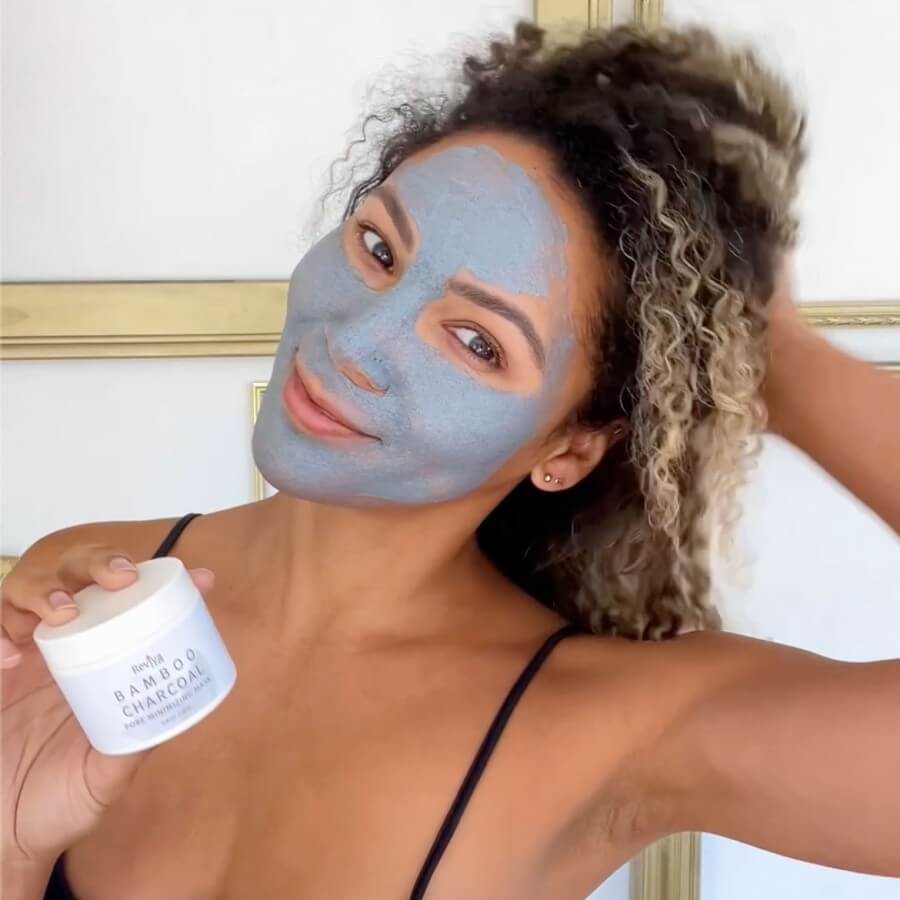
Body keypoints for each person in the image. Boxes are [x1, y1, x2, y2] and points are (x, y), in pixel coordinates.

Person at [3, 21, 899, 900]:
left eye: (476, 342)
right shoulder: (88, 593)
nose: (356, 341)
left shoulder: (609, 729)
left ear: (567, 450)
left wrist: (777, 360)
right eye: (379, 249)